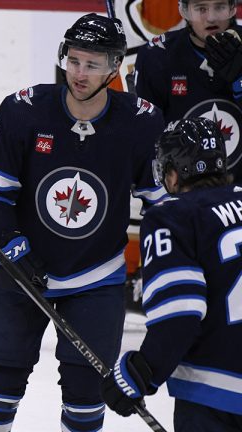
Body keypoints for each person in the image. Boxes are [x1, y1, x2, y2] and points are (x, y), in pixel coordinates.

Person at [0, 14, 166, 432]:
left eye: (93, 64)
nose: (79, 73)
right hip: (19, 272)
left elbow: (164, 207)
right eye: (73, 61)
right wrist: (9, 246)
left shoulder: (142, 122)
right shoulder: (24, 110)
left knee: (85, 396)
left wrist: (165, 264)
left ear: (115, 67)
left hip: (96, 277)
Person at [101, 117, 242, 431]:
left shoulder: (173, 217)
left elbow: (180, 314)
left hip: (217, 393)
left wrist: (142, 371)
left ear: (174, 173)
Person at [134, 0, 242, 180]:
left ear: (232, 8)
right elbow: (147, 141)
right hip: (184, 195)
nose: (211, 17)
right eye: (201, 8)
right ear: (184, 11)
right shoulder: (157, 57)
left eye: (220, 7)